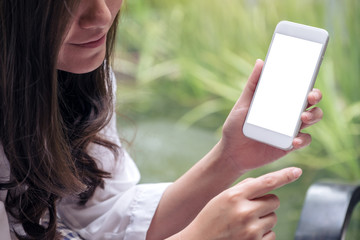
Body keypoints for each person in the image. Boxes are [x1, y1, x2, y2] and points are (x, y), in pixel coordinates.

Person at [0, 1, 323, 240]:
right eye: (66, 3)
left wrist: (229, 157)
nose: (101, 17)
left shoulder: (77, 81)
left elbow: (100, 221)